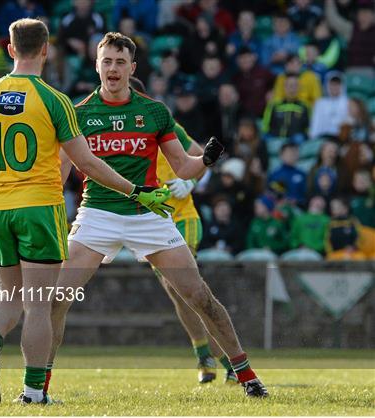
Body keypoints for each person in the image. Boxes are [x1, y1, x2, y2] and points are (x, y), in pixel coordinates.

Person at [0, 18, 172, 406]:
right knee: (38, 302)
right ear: (47, 50)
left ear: (10, 49)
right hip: (39, 207)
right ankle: (34, 393)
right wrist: (135, 190)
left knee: (8, 293)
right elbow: (86, 163)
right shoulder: (55, 100)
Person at [47, 32, 267, 398]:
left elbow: (183, 166)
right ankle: (40, 386)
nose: (113, 68)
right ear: (97, 65)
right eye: (107, 61)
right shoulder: (78, 114)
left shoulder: (154, 112)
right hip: (97, 213)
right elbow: (60, 174)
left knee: (200, 296)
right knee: (56, 299)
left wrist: (206, 161)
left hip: (147, 215)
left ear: (132, 68)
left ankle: (246, 375)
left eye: (120, 62)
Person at [130, 76, 237, 384]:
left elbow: (202, 156)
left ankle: (223, 359)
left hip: (182, 217)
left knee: (186, 287)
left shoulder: (165, 124)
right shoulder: (117, 135)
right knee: (178, 294)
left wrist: (190, 180)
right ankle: (206, 353)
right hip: (150, 224)